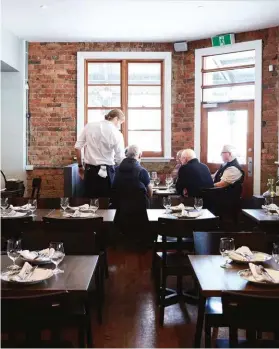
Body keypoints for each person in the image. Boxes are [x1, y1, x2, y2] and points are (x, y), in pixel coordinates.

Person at [74, 109, 125, 198]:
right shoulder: (117, 133)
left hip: (89, 170)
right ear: (116, 119)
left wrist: (80, 166)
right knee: (106, 202)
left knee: (89, 201)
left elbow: (78, 147)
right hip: (107, 171)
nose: (119, 126)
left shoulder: (89, 126)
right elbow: (120, 158)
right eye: (120, 122)